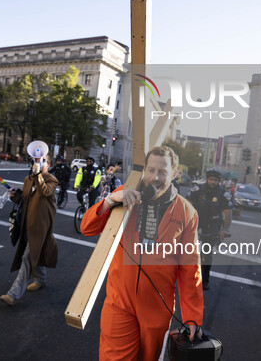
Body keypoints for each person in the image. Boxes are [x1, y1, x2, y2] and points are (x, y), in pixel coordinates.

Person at [81, 146, 203, 360]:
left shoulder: (187, 212)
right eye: (151, 170)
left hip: (157, 306)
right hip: (119, 301)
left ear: (174, 174)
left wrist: (192, 317)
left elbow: (190, 268)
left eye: (162, 172)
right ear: (144, 170)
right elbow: (87, 228)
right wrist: (111, 200)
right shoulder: (126, 197)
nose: (155, 177)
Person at [0, 155, 58, 306]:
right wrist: (14, 196)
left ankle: (12, 295)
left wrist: (38, 174)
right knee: (35, 254)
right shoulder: (28, 179)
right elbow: (25, 201)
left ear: (48, 164)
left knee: (27, 258)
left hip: (40, 227)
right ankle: (41, 279)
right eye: (36, 160)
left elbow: (44, 192)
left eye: (42, 160)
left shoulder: (51, 180)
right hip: (27, 224)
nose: (38, 162)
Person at [188, 169, 232, 291]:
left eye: (215, 180)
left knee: (207, 254)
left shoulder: (223, 193)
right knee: (189, 250)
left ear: (219, 181)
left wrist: (225, 229)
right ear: (207, 179)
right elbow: (188, 204)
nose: (213, 182)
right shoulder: (198, 189)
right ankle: (187, 276)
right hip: (198, 220)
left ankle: (205, 280)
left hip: (213, 223)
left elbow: (228, 213)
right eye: (211, 179)